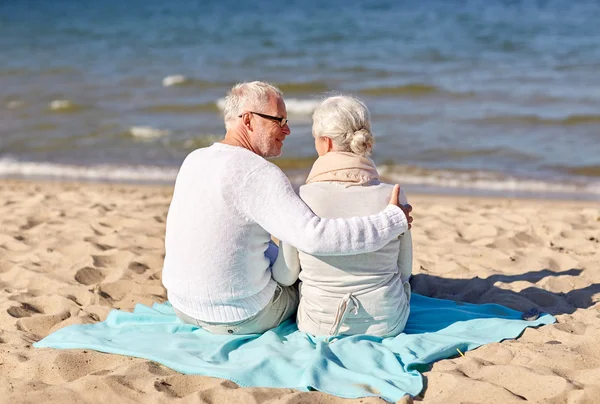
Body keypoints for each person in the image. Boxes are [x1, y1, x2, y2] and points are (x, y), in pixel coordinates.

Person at [162, 82, 412, 335]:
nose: (288, 130)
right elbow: (316, 238)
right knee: (301, 277)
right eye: (279, 121)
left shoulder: (195, 159)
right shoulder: (258, 173)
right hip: (241, 316)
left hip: (182, 305)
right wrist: (391, 220)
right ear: (248, 120)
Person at [280, 95, 413, 338]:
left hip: (318, 325)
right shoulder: (393, 196)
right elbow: (404, 271)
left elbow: (287, 275)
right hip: (389, 324)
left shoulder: (301, 198)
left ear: (326, 143)